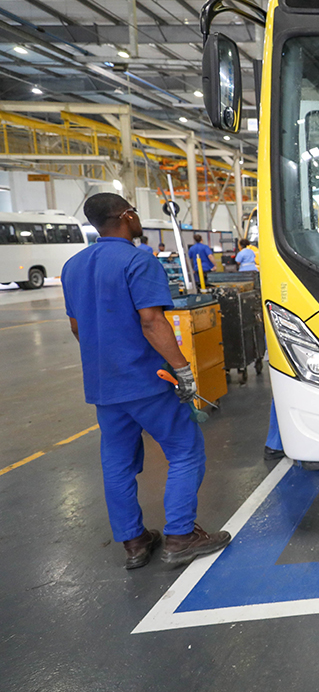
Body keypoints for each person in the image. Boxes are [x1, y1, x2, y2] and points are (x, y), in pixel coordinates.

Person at [61, 193, 231, 569]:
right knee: (185, 450)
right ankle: (180, 537)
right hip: (145, 381)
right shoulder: (138, 260)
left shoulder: (73, 266)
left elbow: (77, 327)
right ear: (126, 216)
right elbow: (152, 321)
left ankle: (134, 542)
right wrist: (182, 369)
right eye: (135, 213)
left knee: (117, 462)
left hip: (104, 386)